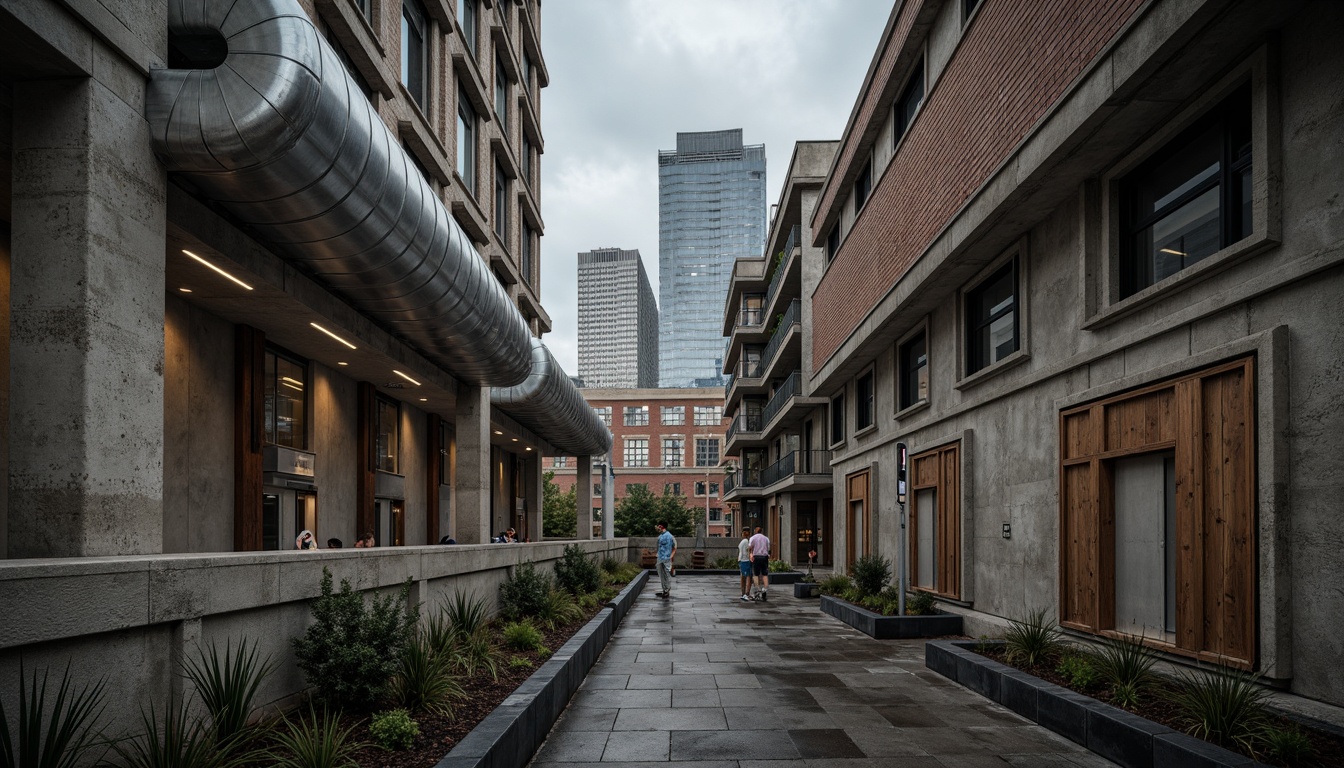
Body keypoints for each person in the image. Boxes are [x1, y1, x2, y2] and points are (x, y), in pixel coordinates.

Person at [654, 521, 676, 599]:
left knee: (666, 574)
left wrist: (671, 556)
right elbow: (658, 547)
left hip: (666, 558)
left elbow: (674, 547)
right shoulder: (659, 537)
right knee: (661, 575)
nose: (658, 528)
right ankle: (664, 590)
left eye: (659, 526)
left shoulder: (670, 536)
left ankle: (667, 590)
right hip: (660, 558)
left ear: (662, 526)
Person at [748, 526, 771, 601]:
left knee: (756, 574)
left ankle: (757, 589)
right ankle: (765, 588)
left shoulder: (753, 538)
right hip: (764, 557)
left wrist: (751, 554)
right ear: (762, 531)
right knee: (765, 574)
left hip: (756, 557)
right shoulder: (766, 538)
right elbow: (768, 548)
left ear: (755, 531)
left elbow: (750, 547)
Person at [737, 527, 754, 601]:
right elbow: (747, 552)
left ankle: (743, 593)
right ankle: (746, 593)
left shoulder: (742, 542)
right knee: (748, 577)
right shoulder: (746, 542)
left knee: (743, 577)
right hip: (746, 561)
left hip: (741, 560)